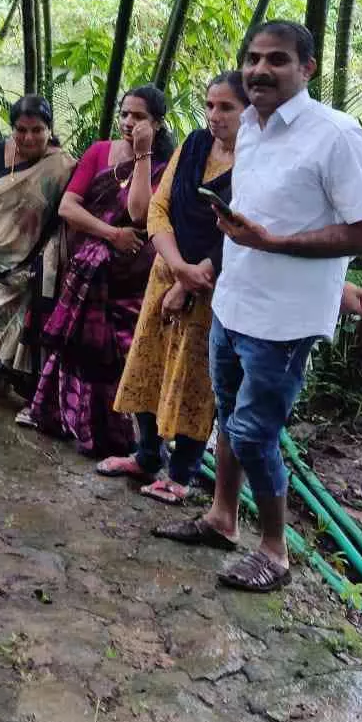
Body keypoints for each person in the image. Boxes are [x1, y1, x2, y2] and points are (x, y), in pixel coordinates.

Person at [156, 21, 362, 593]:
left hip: (285, 319)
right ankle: (222, 517)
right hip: (235, 301)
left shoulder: (336, 136)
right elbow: (261, 213)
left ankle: (275, 552)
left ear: (306, 69)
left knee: (255, 433)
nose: (260, 69)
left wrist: (274, 243)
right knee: (230, 419)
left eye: (277, 60)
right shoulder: (250, 128)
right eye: (253, 58)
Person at [108, 73, 248, 501]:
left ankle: (182, 475)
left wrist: (191, 281)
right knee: (147, 364)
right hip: (167, 273)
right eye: (210, 105)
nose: (214, 115)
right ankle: (146, 455)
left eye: (226, 107)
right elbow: (158, 208)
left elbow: (233, 234)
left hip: (211, 286)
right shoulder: (193, 146)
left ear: (249, 112)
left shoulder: (256, 163)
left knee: (192, 378)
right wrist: (177, 267)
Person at [25, 85, 174, 456]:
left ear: (157, 123)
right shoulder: (98, 152)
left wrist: (142, 155)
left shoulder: (166, 166)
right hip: (89, 269)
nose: (128, 122)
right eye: (124, 114)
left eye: (138, 117)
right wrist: (112, 234)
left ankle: (126, 436)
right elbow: (68, 208)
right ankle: (68, 419)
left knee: (124, 350)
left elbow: (142, 213)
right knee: (79, 348)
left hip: (133, 276)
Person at [0, 94, 75, 397]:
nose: (29, 137)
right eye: (21, 130)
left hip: (39, 266)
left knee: (30, 330)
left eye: (37, 130)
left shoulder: (63, 166)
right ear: (12, 129)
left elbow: (73, 216)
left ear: (49, 129)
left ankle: (26, 389)